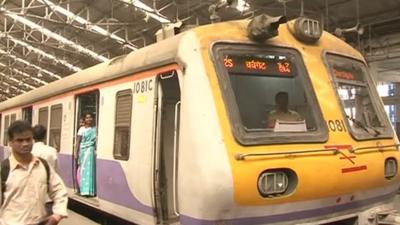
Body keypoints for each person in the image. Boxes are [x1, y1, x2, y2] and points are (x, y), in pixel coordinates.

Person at [0, 120, 68, 225]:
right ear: (10, 142)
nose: (25, 144)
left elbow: (59, 191)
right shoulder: (4, 169)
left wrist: (57, 215)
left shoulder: (43, 166)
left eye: (28, 139)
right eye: (20, 140)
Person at [75, 112, 96, 197]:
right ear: (85, 120)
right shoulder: (81, 129)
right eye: (87, 118)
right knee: (82, 170)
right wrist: (76, 153)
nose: (89, 119)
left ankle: (89, 191)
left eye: (90, 117)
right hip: (83, 151)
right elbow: (78, 142)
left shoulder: (94, 129)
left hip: (91, 152)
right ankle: (82, 189)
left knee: (90, 171)